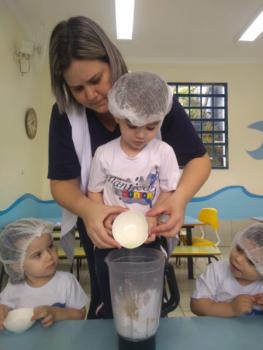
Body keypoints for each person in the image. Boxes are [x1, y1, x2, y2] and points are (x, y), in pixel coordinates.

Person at [48, 16, 211, 318]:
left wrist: (178, 198)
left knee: (147, 297)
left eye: (96, 80)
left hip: (151, 225)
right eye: (78, 88)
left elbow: (199, 160)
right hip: (101, 229)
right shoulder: (65, 116)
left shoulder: (155, 98)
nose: (90, 95)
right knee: (108, 298)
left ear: (112, 60)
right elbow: (61, 183)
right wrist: (89, 210)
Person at [87, 71, 181, 317]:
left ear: (160, 120)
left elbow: (168, 191)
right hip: (111, 239)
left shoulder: (163, 152)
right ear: (117, 116)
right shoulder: (105, 153)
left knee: (148, 297)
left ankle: (148, 324)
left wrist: (152, 218)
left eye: (151, 127)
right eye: (132, 126)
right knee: (111, 295)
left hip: (150, 237)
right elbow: (94, 192)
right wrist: (103, 218)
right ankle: (110, 316)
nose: (141, 135)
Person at [0, 218, 88, 330]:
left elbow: (80, 314)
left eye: (50, 246)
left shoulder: (66, 282)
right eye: (38, 254)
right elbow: (4, 309)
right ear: (17, 264)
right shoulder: (13, 287)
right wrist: (2, 311)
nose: (49, 256)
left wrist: (55, 313)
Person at [191, 223, 263, 317]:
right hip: (217, 330)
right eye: (239, 248)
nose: (238, 259)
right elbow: (197, 305)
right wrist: (230, 308)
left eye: (251, 261)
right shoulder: (216, 271)